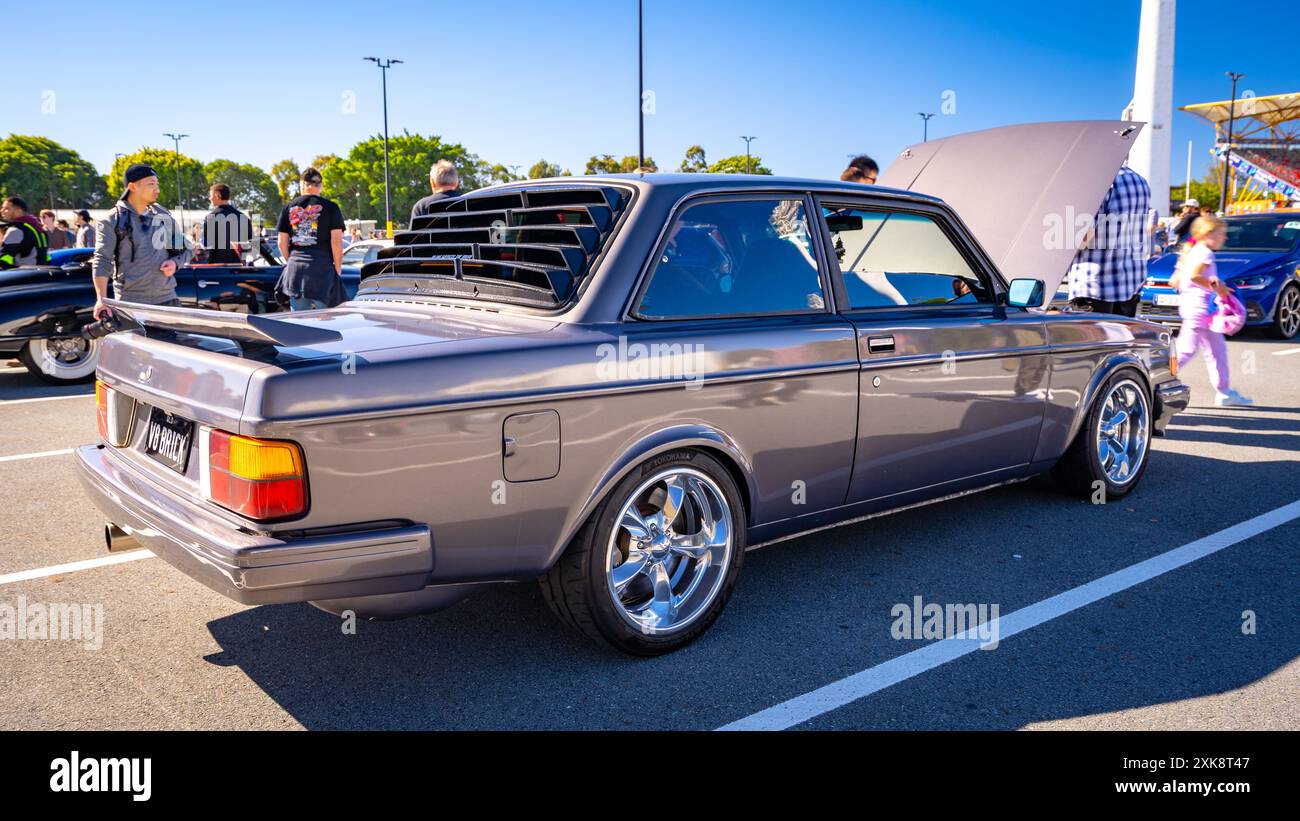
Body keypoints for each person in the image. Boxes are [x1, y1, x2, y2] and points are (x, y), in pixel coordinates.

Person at [91, 163, 194, 319]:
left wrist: (175, 263)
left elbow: (187, 249)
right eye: (151, 184)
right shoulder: (111, 220)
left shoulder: (163, 216)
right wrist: (101, 300)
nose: (157, 189)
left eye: (157, 184)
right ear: (132, 186)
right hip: (131, 304)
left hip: (167, 300)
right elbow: (102, 261)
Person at [1169, 215, 1253, 407]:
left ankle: (1224, 391)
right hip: (1199, 310)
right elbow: (1194, 277)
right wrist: (1217, 287)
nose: (1225, 238)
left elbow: (1177, 279)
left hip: (1201, 310)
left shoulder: (1193, 250)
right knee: (1185, 351)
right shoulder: (1204, 253)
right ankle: (1153, 378)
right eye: (1221, 234)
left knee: (1217, 351)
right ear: (1208, 234)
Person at [1066, 165, 1150, 317]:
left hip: (1095, 286)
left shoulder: (1099, 180)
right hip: (1129, 284)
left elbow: (1084, 237)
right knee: (1120, 340)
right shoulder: (1141, 182)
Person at [275, 167, 344, 311]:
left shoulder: (288, 207)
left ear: (302, 185)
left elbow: (281, 243)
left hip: (296, 272)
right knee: (327, 321)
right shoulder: (331, 207)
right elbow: (336, 242)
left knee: (300, 323)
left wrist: (292, 260)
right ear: (320, 186)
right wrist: (338, 268)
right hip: (322, 269)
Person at [202, 182, 252, 264]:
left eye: (210, 195)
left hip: (217, 268)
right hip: (240, 267)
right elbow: (250, 244)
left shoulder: (210, 218)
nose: (209, 198)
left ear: (217, 195)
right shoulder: (244, 218)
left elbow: (207, 244)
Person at [0, 196, 49, 269]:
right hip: (42, 275)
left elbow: (3, 259)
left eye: (7, 208)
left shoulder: (16, 230)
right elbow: (46, 257)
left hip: (22, 276)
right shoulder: (40, 229)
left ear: (19, 211)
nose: (2, 210)